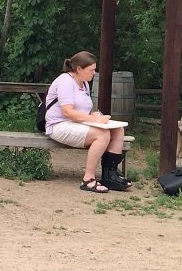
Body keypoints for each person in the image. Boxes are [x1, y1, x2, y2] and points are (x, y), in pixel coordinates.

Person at [44, 51, 131, 192]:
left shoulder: (83, 83)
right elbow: (68, 112)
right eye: (91, 70)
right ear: (79, 69)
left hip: (75, 123)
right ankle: (88, 179)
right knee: (102, 134)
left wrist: (93, 115)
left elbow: (81, 110)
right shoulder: (65, 81)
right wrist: (95, 119)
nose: (94, 73)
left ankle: (110, 176)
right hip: (58, 125)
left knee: (118, 130)